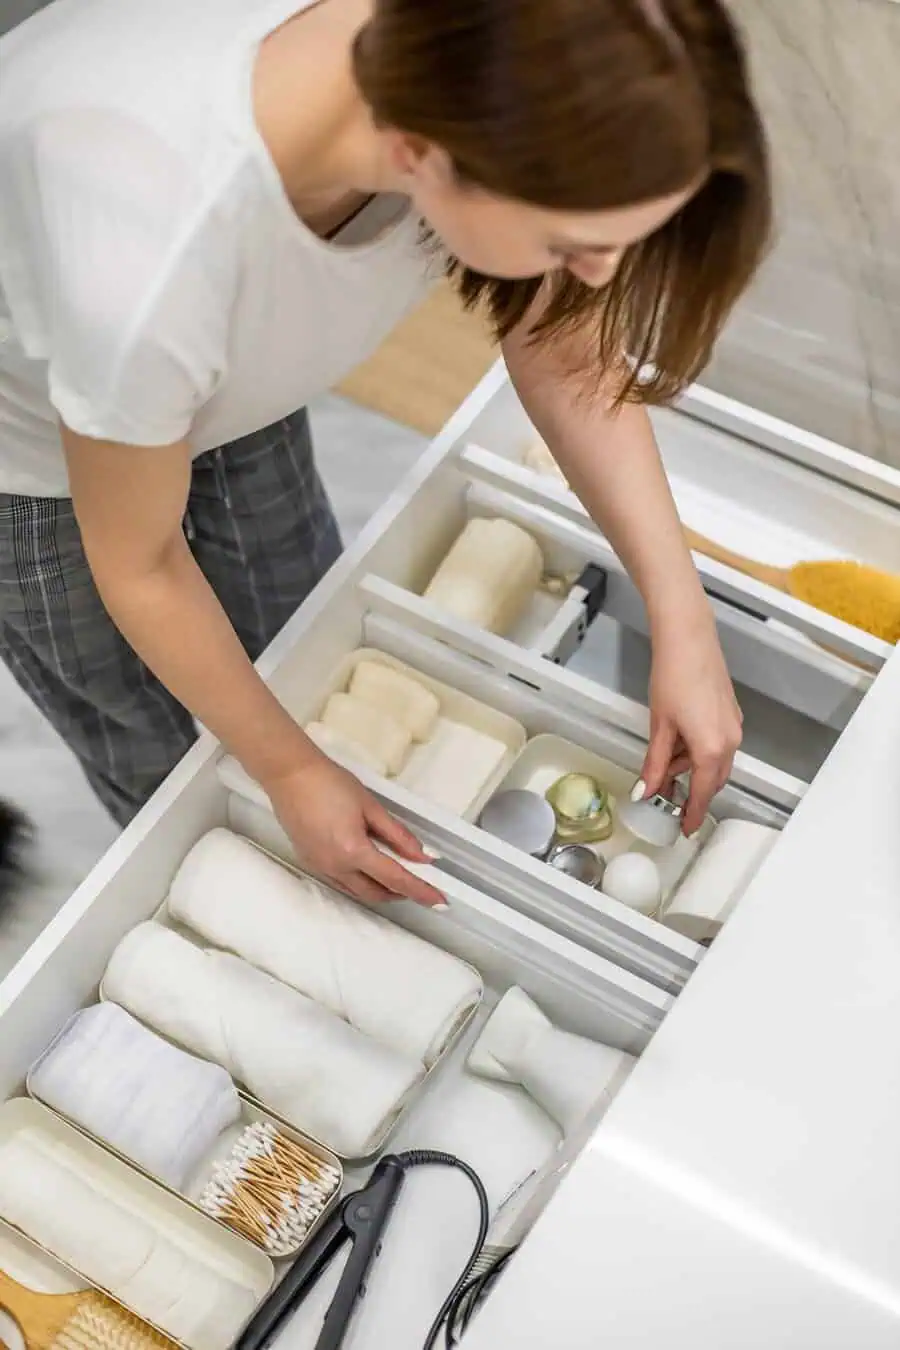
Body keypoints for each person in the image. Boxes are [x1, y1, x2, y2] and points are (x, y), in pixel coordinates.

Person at [0, 0, 770, 909]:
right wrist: (288, 773)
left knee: (300, 622)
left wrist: (682, 616)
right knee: (165, 751)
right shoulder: (152, 253)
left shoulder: (487, 58)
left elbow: (564, 351)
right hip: (31, 456)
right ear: (418, 155)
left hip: (205, 375)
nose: (598, 276)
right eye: (570, 244)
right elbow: (140, 566)